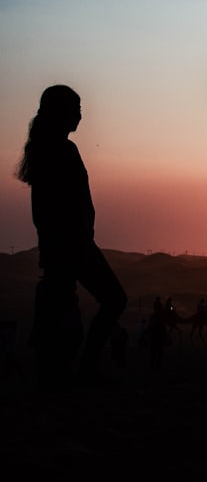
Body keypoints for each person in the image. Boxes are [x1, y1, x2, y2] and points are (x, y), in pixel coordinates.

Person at [16, 85, 129, 388]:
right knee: (113, 299)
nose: (81, 114)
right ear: (61, 113)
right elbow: (56, 206)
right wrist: (76, 236)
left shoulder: (49, 149)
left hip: (64, 244)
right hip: (72, 244)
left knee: (61, 306)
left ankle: (63, 372)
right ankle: (85, 369)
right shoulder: (60, 151)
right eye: (76, 108)